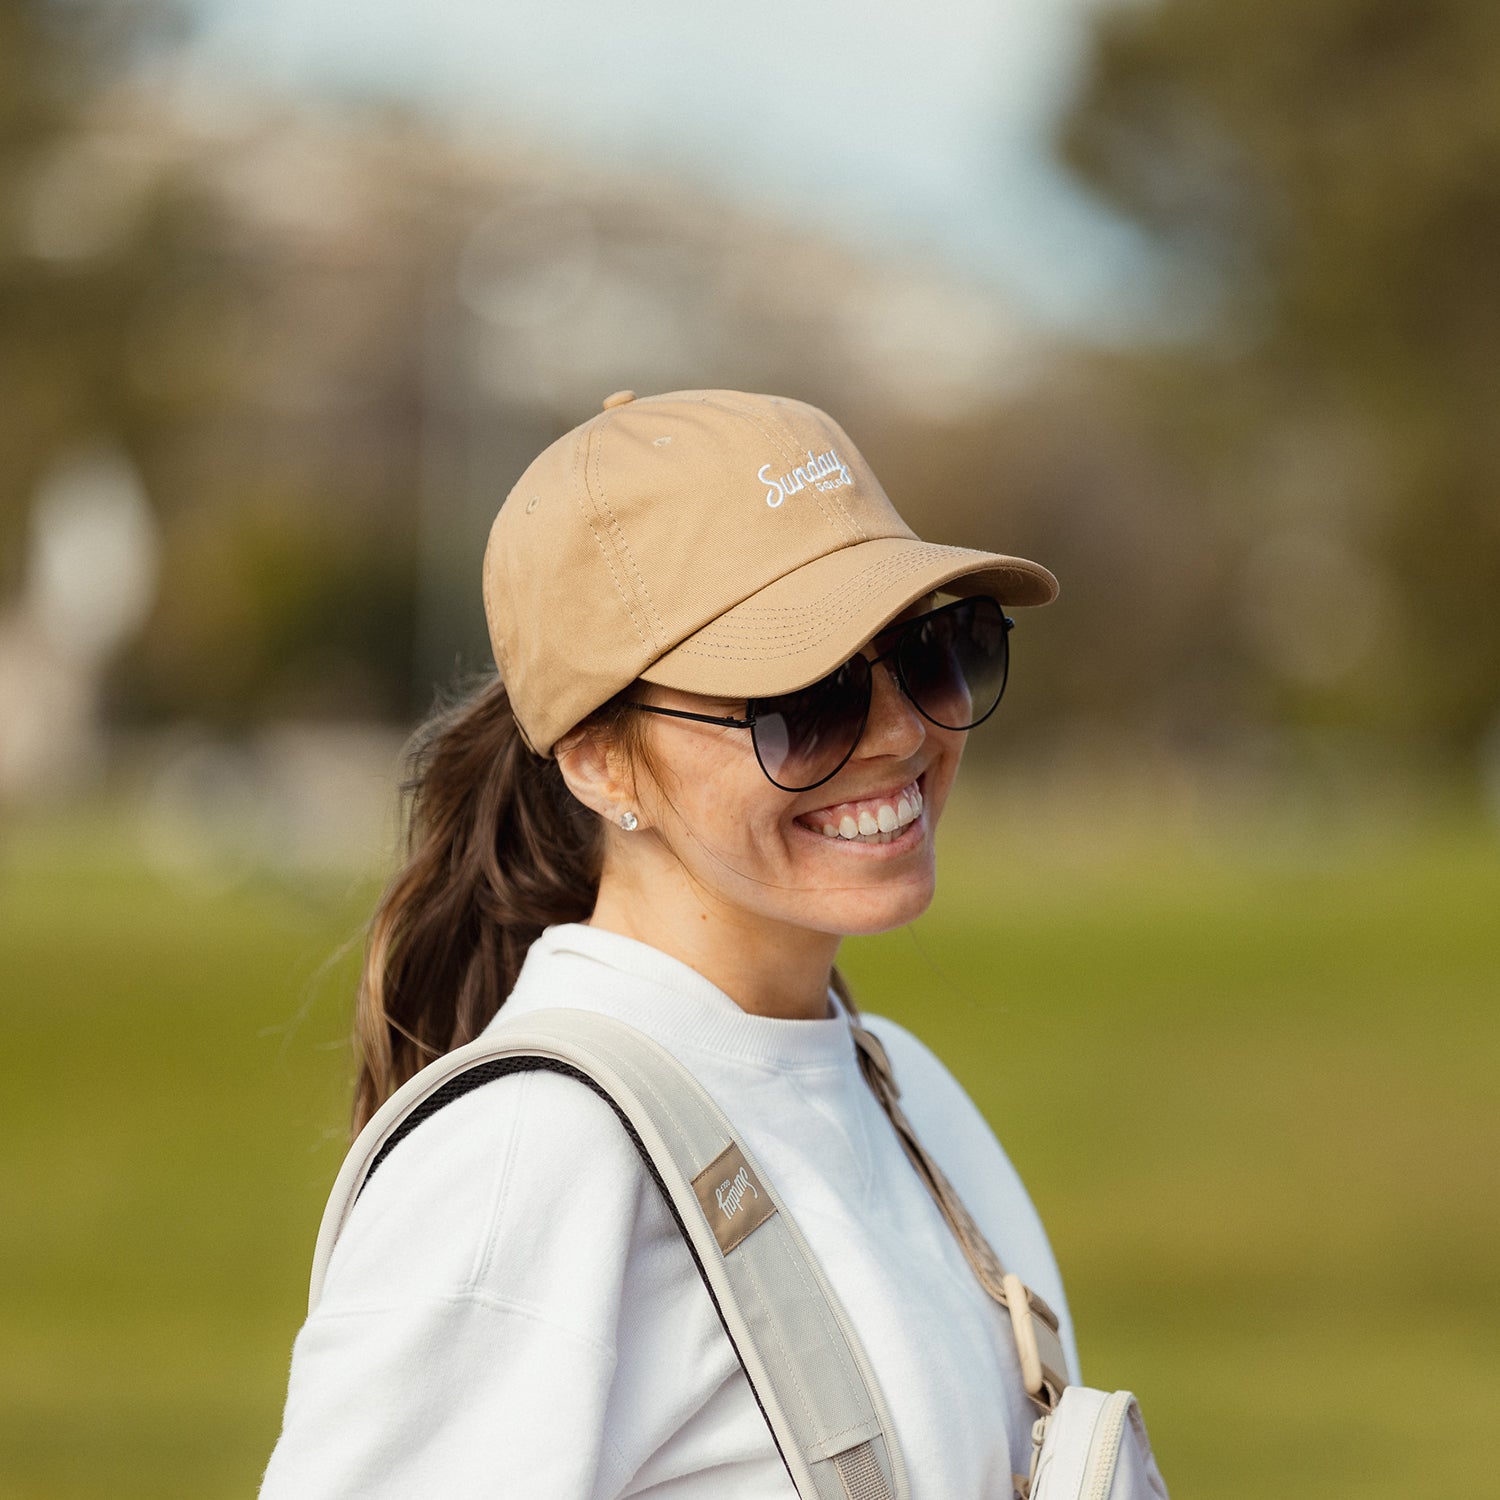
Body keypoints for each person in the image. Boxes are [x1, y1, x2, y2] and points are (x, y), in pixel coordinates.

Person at [259, 387, 1078, 1498]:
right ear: (595, 756)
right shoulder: (524, 1159)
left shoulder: (908, 1095)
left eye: (933, 651)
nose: (899, 733)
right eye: (809, 694)